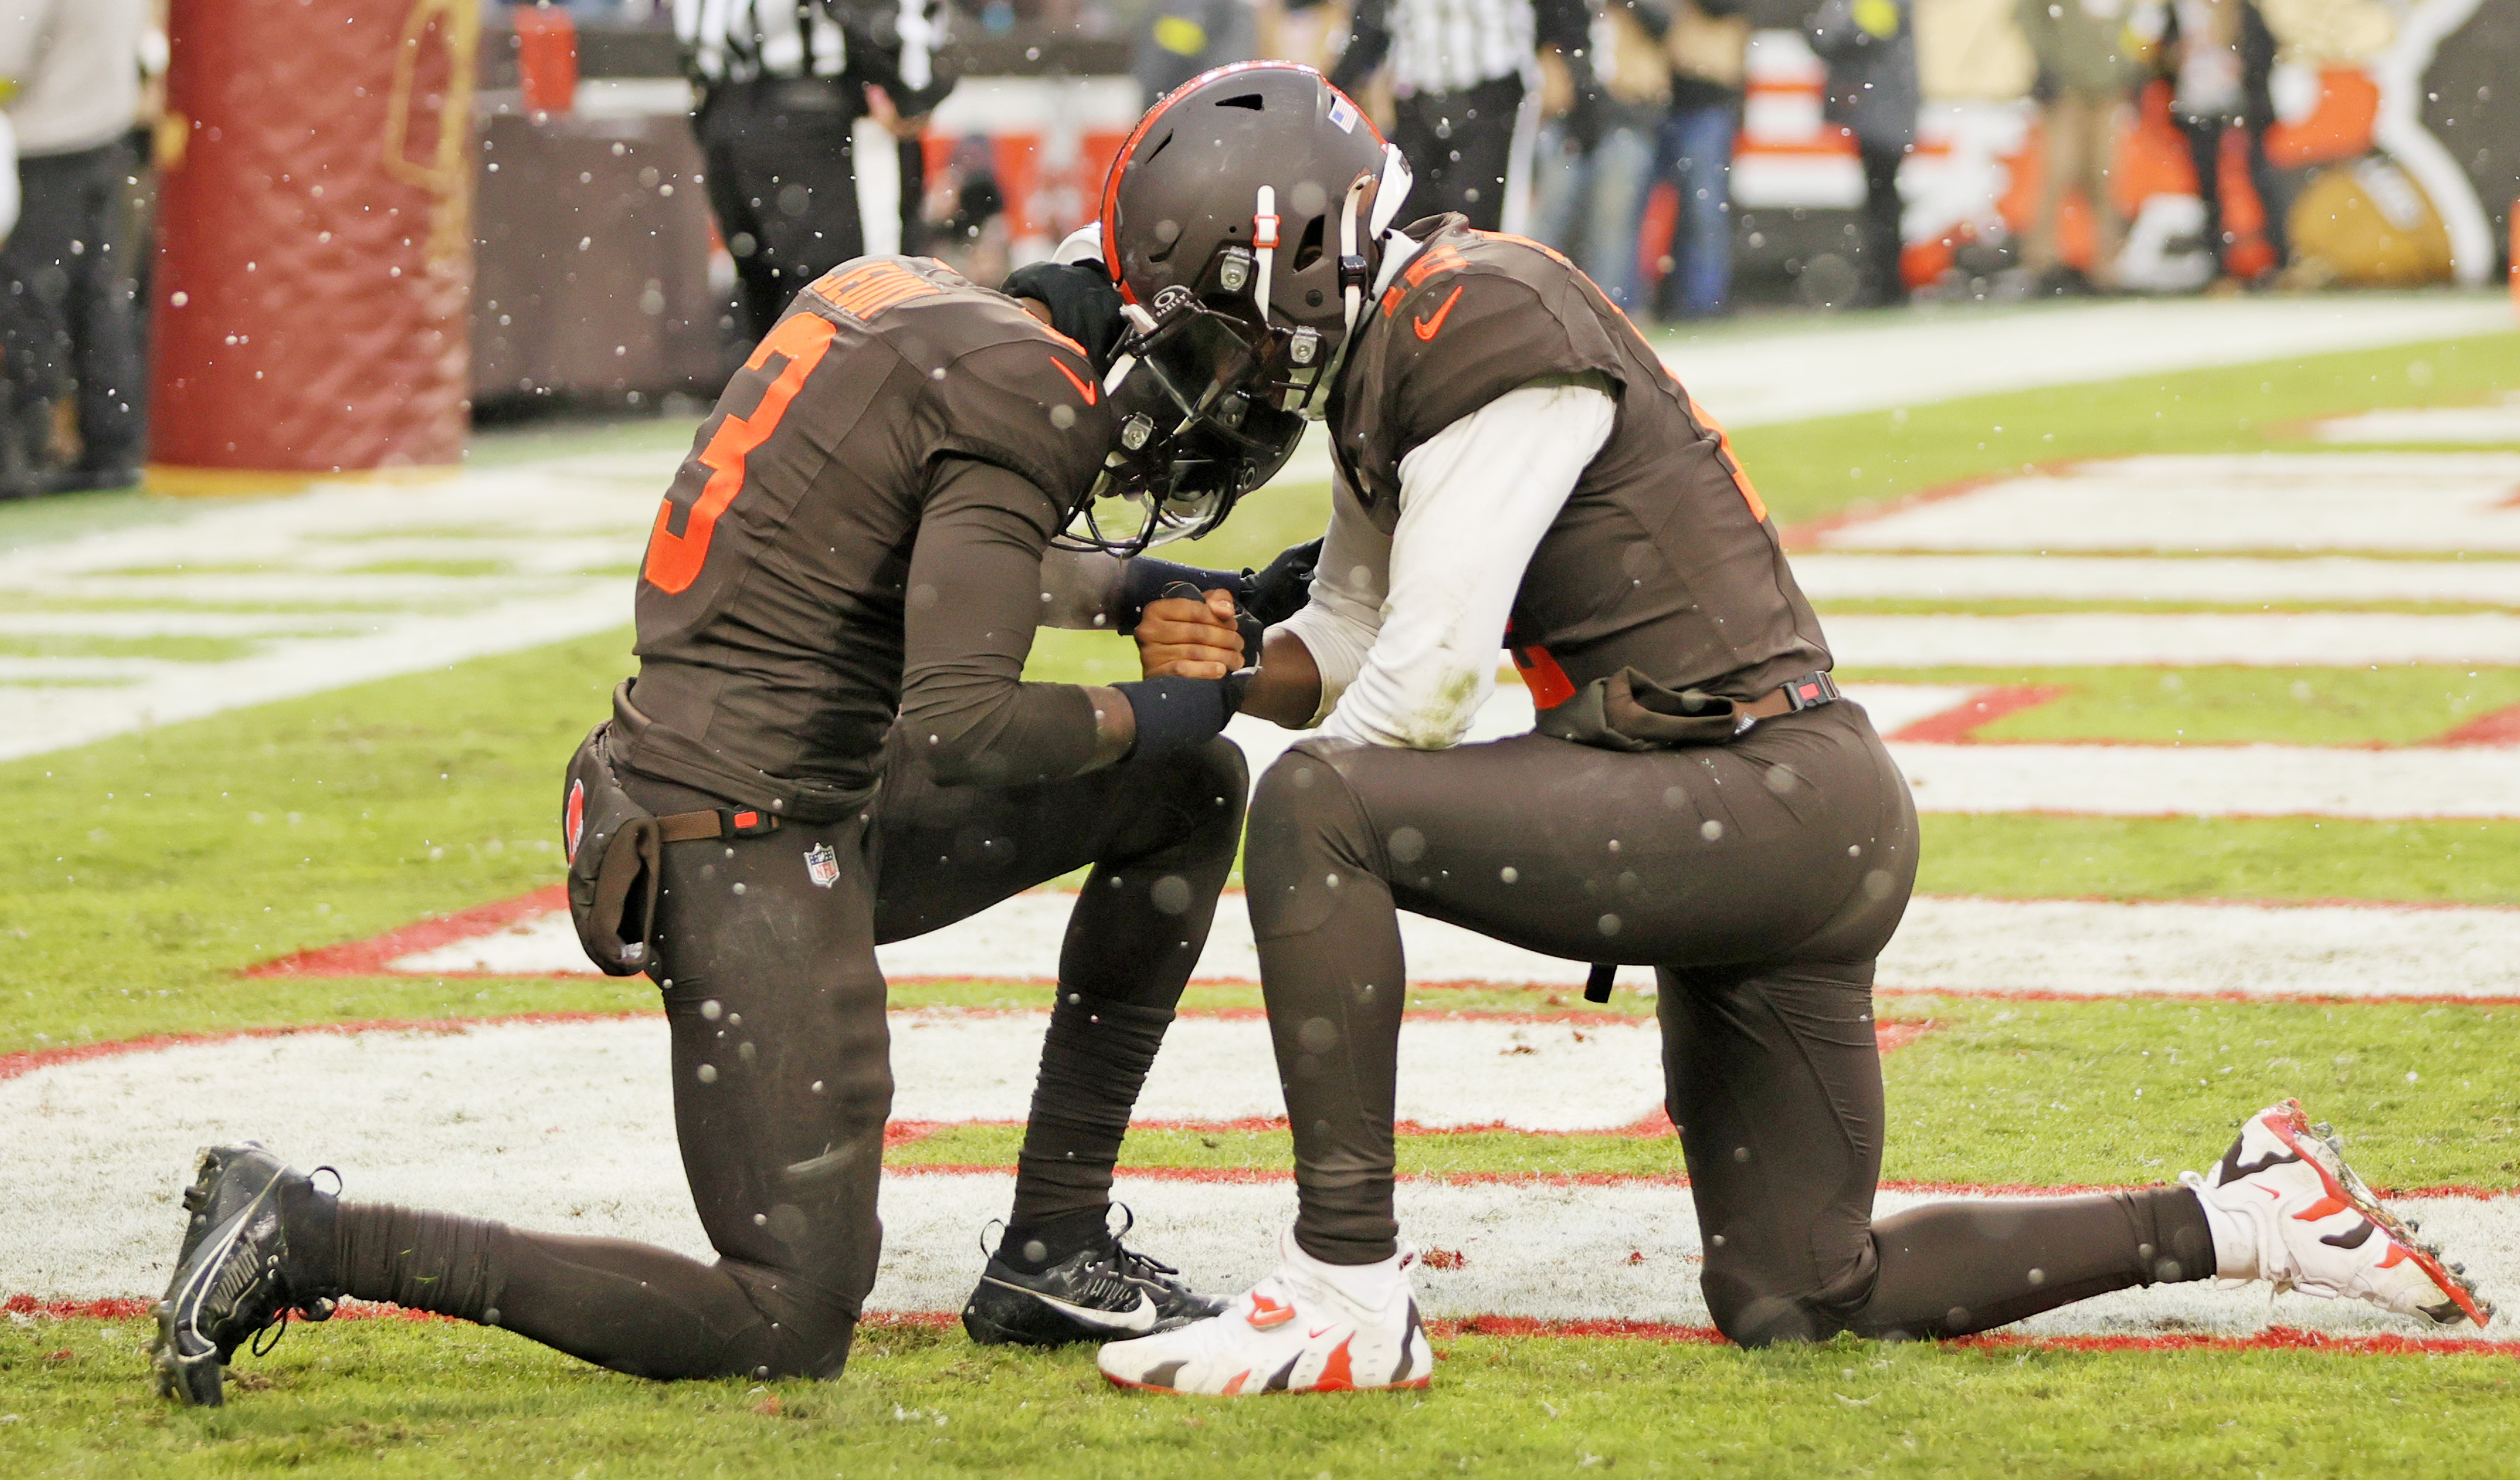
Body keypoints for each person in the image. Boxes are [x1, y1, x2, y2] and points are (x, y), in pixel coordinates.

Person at [1081, 62, 2492, 1395]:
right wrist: (1221, 667)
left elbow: (1428, 688)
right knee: (1798, 1288)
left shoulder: (1474, 318)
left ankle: (1344, 1283)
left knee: (1315, 806)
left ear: (1296, 247)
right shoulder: (1414, 335)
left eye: (1212, 316)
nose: (1218, 367)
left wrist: (1305, 796)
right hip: (1768, 803)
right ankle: (2242, 1212)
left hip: (1753, 796)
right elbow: (1343, 636)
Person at [147, 244, 1327, 1404]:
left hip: (794, 776)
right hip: (740, 827)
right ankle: (307, 1230)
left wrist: (1140, 594)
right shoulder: (1021, 382)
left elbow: (921, 553)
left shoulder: (908, 300)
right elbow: (969, 725)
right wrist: (1171, 699)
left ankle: (1053, 1250)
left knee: (1186, 785)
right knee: (783, 1316)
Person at [673, 0, 958, 345]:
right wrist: (911, 83)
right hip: (821, 114)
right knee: (867, 306)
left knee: (774, 322)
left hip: (730, 110)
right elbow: (900, 36)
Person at [0, 0, 150, 498]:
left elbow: (7, 61)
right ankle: (112, 444)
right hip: (103, 139)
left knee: (29, 303)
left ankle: (28, 447)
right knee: (99, 300)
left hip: (40, 147)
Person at [1331, 0, 1539, 230]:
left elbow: (1555, 10)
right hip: (1415, 100)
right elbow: (1373, 20)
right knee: (1409, 222)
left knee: (1471, 222)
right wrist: (1339, 86)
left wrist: (1560, 50)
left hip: (1489, 91)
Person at [1529, 0, 1663, 313]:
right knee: (1551, 219)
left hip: (1621, 119)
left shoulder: (1631, 13)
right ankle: (1534, 305)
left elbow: (1663, 23)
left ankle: (1607, 314)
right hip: (1569, 118)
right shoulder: (1561, 13)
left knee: (1611, 225)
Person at [2139, 0, 2285, 285]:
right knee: (2209, 188)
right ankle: (2219, 266)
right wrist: (2173, 57)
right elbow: (2160, 58)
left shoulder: (2242, 10)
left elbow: (2263, 51)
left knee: (2259, 181)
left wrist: (2240, 57)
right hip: (2198, 107)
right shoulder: (2176, 11)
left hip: (2244, 105)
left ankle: (2277, 260)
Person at [2015, 0, 2135, 294]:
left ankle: (2106, 266)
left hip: (2107, 86)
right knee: (2058, 173)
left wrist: (2126, 66)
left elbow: (2135, 24)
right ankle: (2043, 262)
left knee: (2104, 176)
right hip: (2067, 87)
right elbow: (2029, 17)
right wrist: (2051, 65)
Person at [1805, 0, 1918, 306]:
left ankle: (1888, 281)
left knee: (1882, 196)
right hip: (1884, 108)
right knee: (1882, 195)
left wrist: (1825, 29)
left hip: (1882, 110)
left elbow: (1863, 33)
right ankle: (1886, 278)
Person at [1655, 0, 1749, 319]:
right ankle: (1643, 299)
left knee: (1704, 210)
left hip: (1705, 98)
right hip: (1651, 96)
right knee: (1635, 210)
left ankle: (1703, 303)